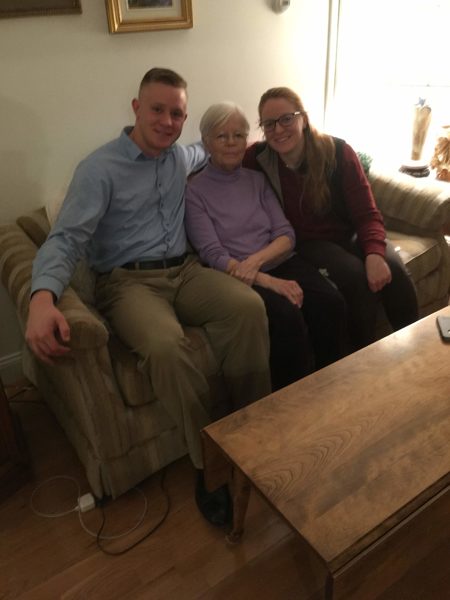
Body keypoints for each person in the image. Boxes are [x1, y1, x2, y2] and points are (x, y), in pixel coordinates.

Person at [25, 68, 272, 527]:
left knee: (248, 307)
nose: (167, 121)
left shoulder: (181, 157)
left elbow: (216, 145)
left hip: (186, 271)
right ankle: (208, 465)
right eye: (157, 109)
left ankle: (252, 429)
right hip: (128, 284)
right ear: (137, 108)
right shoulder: (98, 169)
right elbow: (65, 239)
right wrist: (42, 297)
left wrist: (266, 139)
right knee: (165, 347)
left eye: (177, 113)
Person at [185, 102, 348, 390]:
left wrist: (256, 261)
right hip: (236, 276)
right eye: (222, 136)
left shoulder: (257, 179)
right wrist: (267, 280)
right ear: (207, 142)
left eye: (239, 135)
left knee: (330, 301)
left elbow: (285, 234)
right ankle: (292, 402)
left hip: (275, 261)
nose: (232, 143)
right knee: (287, 317)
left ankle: (331, 386)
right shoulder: (194, 191)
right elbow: (213, 254)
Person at [243, 87, 419, 350]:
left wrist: (374, 252)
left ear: (303, 119)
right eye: (269, 124)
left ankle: (417, 349)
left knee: (392, 268)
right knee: (355, 277)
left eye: (286, 119)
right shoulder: (258, 159)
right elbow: (223, 157)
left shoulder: (337, 151)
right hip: (306, 244)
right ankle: (362, 359)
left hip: (350, 232)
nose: (278, 130)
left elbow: (367, 213)